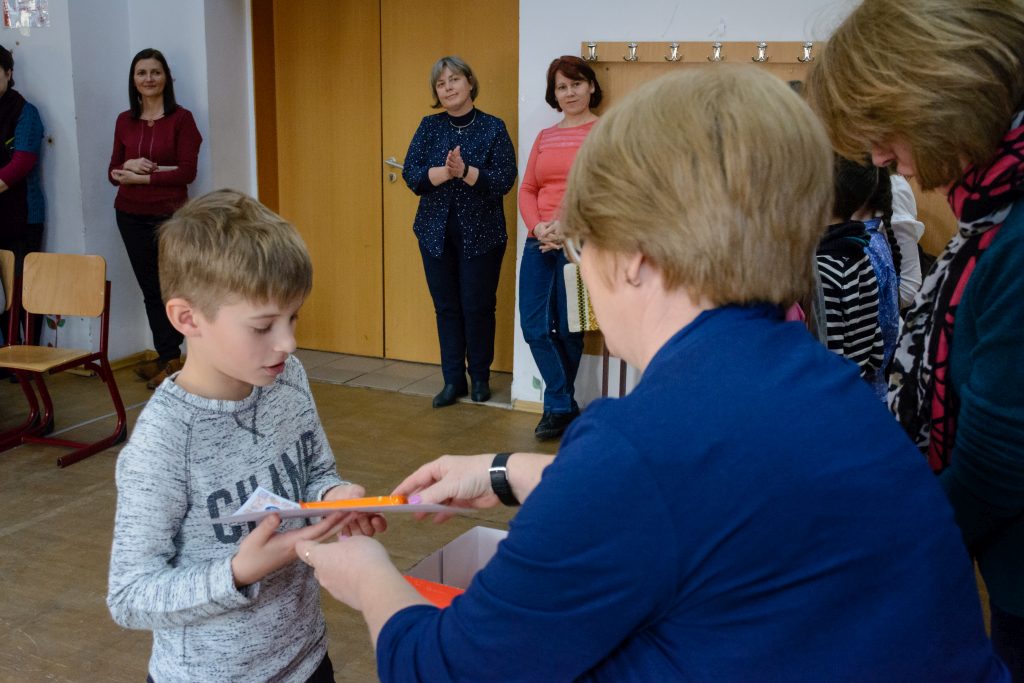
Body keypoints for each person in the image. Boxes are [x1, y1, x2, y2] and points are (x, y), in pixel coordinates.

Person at [298, 68, 1007, 681]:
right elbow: (701, 491)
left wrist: (366, 573)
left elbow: (444, 667)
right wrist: (505, 471)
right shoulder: (821, 383)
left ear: (634, 256)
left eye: (583, 246)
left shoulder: (642, 444)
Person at [808, 0, 1024, 676]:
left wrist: (891, 547)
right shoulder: (988, 211)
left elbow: (999, 461)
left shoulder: (1011, 238)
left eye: (884, 128)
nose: (878, 157)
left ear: (944, 94)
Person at [107, 189, 386, 682]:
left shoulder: (287, 378)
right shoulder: (163, 444)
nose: (288, 342)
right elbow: (130, 596)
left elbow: (315, 471)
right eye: (263, 327)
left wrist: (333, 496)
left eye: (293, 317)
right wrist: (238, 572)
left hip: (306, 658)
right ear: (187, 318)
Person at [402, 56, 516, 408]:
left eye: (454, 79)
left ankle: (479, 377)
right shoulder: (429, 126)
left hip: (482, 235)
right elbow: (412, 174)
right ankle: (453, 380)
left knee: (478, 307)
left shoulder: (493, 127)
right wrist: (446, 172)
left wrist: (466, 171)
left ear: (469, 82)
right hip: (434, 234)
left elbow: (504, 179)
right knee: (447, 308)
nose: (448, 87)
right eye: (441, 83)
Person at [108, 48, 202, 390]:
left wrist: (144, 177)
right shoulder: (124, 120)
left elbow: (187, 172)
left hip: (170, 216)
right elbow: (112, 172)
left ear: (166, 78)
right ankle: (167, 356)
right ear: (133, 80)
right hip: (129, 213)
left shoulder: (182, 119)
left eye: (155, 72)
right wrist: (127, 166)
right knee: (150, 289)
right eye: (141, 73)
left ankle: (179, 358)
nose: (148, 79)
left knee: (172, 288)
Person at [518, 56, 601, 440]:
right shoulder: (545, 137)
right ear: (554, 94)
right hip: (539, 242)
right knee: (535, 327)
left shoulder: (606, 133)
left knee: (571, 329)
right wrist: (538, 227)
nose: (570, 93)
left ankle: (557, 407)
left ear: (591, 86)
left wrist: (569, 227)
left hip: (583, 243)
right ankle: (563, 404)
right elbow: (528, 189)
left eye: (576, 84)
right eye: (562, 87)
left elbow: (609, 190)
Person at [0, 44, 45, 349]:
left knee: (22, 291)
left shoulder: (25, 112)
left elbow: (22, 163)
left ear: (8, 73)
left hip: (22, 217)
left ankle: (28, 355)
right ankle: (7, 355)